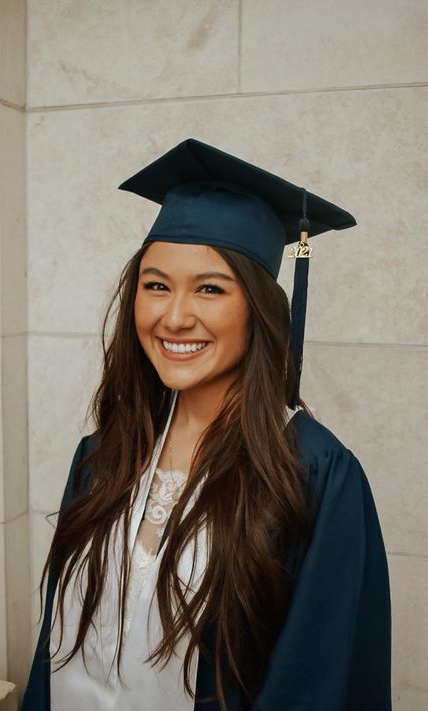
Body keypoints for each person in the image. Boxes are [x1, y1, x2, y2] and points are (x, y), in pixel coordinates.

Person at [23, 139, 392, 710]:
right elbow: (55, 649)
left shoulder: (314, 474)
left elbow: (317, 680)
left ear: (261, 308)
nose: (174, 316)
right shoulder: (104, 455)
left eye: (211, 288)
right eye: (156, 285)